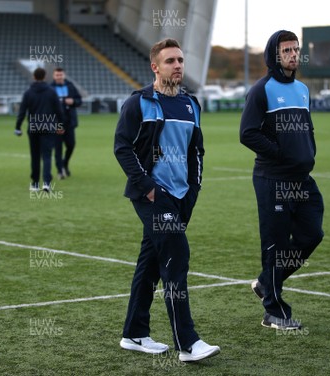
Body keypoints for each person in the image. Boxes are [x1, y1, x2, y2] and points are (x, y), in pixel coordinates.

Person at [114, 38, 220, 362]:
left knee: (150, 265)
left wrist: (194, 190)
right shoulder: (139, 103)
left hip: (181, 197)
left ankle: (134, 332)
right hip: (152, 196)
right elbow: (122, 147)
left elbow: (196, 151)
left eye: (180, 60)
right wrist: (147, 187)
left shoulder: (191, 105)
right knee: (177, 252)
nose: (177, 65)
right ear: (155, 66)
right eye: (170, 60)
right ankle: (187, 343)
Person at [239, 30, 324, 330]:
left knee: (313, 233)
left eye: (295, 50)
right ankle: (273, 312)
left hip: (302, 179)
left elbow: (308, 130)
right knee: (275, 245)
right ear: (274, 55)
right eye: (286, 50)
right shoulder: (262, 90)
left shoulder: (302, 89)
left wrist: (307, 153)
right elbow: (247, 133)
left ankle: (266, 281)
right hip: (272, 178)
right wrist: (279, 153)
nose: (292, 55)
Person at [15, 67, 64, 192]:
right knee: (47, 155)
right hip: (48, 125)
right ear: (45, 77)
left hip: (34, 125)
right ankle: (46, 183)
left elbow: (22, 112)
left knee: (35, 156)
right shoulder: (51, 92)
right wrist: (60, 125)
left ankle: (35, 183)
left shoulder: (28, 92)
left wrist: (18, 127)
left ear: (34, 77)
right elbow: (59, 111)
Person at [51, 67, 82, 180]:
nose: (59, 77)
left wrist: (73, 101)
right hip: (56, 123)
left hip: (69, 122)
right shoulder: (50, 88)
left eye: (61, 75)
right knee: (58, 148)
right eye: (57, 75)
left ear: (64, 75)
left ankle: (65, 164)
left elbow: (79, 100)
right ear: (54, 76)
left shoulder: (70, 86)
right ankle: (60, 171)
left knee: (71, 145)